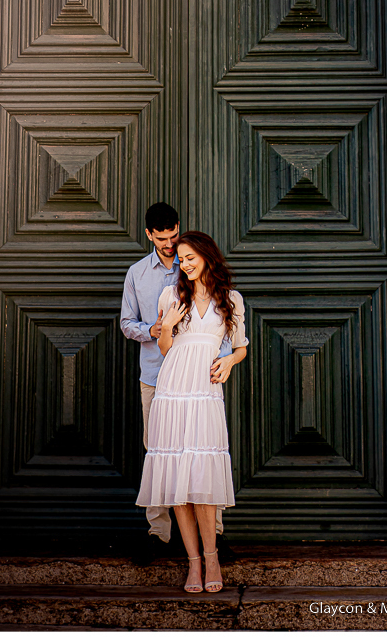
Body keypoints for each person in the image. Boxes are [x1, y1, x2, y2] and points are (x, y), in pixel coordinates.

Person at [136, 231, 248, 594]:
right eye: (180, 259)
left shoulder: (230, 299)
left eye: (189, 257)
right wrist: (166, 327)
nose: (183, 263)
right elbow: (166, 349)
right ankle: (194, 564)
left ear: (206, 255)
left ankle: (212, 557)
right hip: (172, 391)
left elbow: (241, 347)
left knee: (202, 479)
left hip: (205, 393)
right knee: (178, 483)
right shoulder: (171, 295)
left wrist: (230, 360)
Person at [121, 205, 233, 555]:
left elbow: (223, 315)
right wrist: (153, 329)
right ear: (149, 236)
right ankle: (159, 534)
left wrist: (228, 356)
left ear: (178, 229)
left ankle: (212, 534)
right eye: (162, 239)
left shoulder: (197, 262)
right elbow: (127, 323)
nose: (170, 245)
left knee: (204, 452)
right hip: (157, 377)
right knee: (159, 450)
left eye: (174, 236)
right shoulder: (137, 274)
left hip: (201, 381)